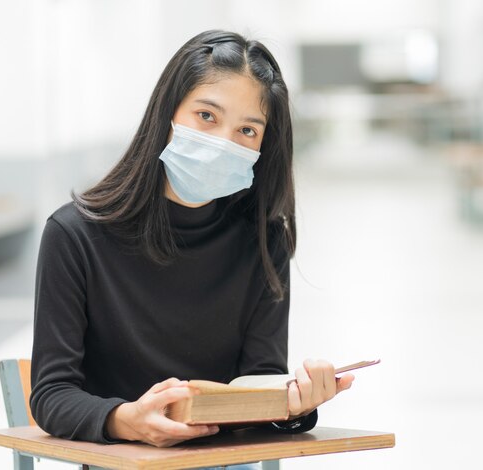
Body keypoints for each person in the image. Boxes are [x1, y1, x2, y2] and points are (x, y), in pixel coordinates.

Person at [29, 30, 355, 465]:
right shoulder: (74, 235)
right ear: (168, 112)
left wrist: (291, 406)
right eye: (206, 115)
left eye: (247, 129)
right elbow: (51, 394)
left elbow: (258, 380)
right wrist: (126, 420)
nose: (224, 141)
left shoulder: (263, 239)